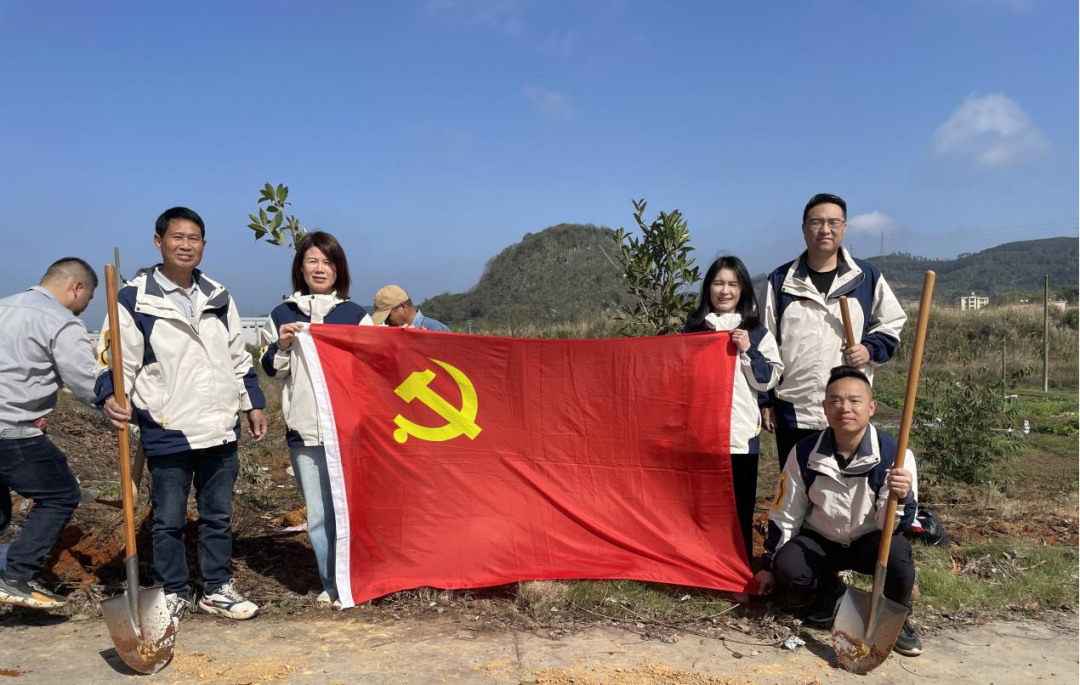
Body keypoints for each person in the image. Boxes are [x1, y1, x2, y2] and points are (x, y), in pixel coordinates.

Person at [97, 207, 268, 625]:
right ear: (159, 242)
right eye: (178, 237)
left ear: (203, 246)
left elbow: (236, 355)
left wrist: (253, 403)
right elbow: (116, 361)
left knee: (217, 515)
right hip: (168, 424)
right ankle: (173, 592)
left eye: (194, 238)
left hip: (220, 424)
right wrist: (110, 397)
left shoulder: (218, 295)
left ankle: (216, 589)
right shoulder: (133, 298)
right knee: (168, 519)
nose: (186, 245)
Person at [755, 365, 922, 657]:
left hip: (869, 541)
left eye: (854, 400)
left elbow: (891, 525)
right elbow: (787, 512)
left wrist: (902, 495)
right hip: (822, 541)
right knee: (789, 567)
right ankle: (834, 595)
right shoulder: (805, 452)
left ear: (871, 407)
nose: (844, 407)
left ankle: (896, 616)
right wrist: (770, 565)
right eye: (835, 400)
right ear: (824, 407)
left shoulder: (895, 454)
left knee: (898, 551)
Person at [0, 259, 130, 609]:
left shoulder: (3, 307)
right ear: (77, 288)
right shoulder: (60, 321)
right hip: (12, 430)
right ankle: (15, 575)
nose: (86, 306)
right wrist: (114, 399)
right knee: (60, 494)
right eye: (88, 298)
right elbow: (84, 381)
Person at [260, 232, 372, 609]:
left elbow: (375, 366)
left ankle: (357, 578)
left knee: (352, 509)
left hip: (348, 431)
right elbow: (272, 372)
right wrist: (283, 344)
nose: (320, 268)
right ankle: (331, 584)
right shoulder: (282, 315)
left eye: (328, 262)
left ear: (338, 269)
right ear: (300, 267)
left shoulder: (355, 316)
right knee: (320, 513)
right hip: (305, 429)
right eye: (312, 261)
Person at [761, 193, 906, 470]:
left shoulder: (865, 277)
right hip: (795, 407)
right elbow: (764, 341)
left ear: (845, 227)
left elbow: (892, 323)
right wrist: (765, 400)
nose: (825, 229)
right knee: (795, 487)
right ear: (804, 229)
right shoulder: (780, 281)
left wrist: (868, 349)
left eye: (833, 222)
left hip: (847, 408)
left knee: (845, 487)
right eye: (816, 222)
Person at [683, 256, 782, 561]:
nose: (725, 291)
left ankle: (737, 567)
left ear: (743, 290)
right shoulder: (693, 331)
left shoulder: (757, 333)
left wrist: (748, 350)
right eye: (718, 283)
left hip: (740, 435)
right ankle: (702, 564)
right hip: (700, 436)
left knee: (740, 504)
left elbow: (766, 381)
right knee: (700, 504)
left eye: (732, 284)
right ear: (708, 288)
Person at [371, 285, 450, 331]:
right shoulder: (394, 335)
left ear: (402, 307)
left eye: (388, 317)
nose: (386, 322)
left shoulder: (436, 330)